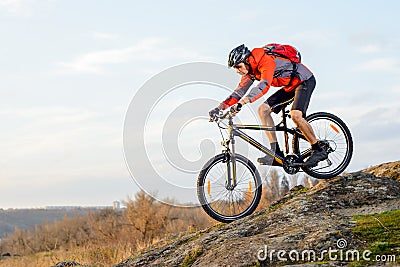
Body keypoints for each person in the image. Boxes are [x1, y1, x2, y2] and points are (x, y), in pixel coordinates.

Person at [209, 44, 328, 167]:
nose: (237, 71)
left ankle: (318, 149)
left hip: (304, 81)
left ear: (246, 61)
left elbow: (264, 85)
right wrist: (219, 107)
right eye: (235, 68)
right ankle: (275, 153)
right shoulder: (250, 72)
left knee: (296, 115)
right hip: (289, 87)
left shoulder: (266, 61)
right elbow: (239, 92)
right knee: (263, 110)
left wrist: (243, 103)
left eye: (238, 67)